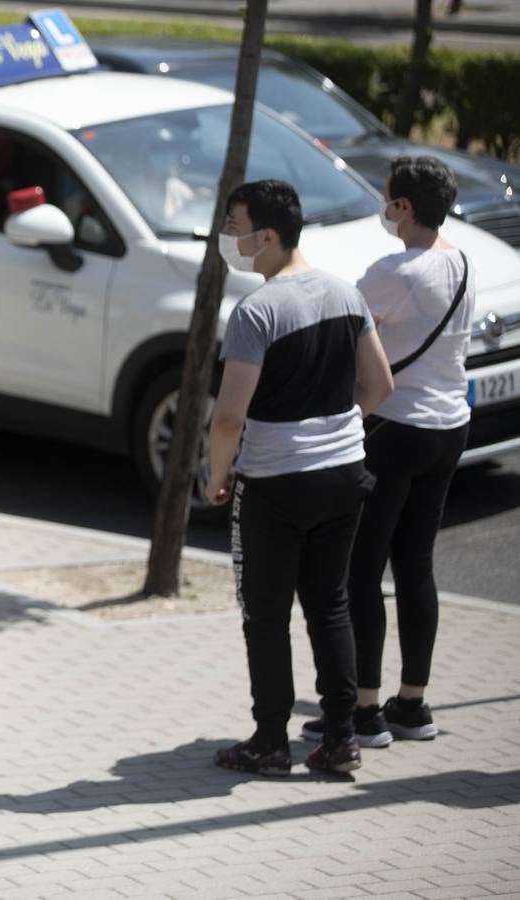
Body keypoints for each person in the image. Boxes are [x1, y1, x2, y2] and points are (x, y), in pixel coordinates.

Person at [205, 180, 394, 777]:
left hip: (275, 482)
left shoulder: (256, 312)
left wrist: (217, 474)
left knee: (265, 614)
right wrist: (339, 427)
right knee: (329, 604)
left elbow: (230, 414)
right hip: (344, 475)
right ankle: (341, 738)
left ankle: (269, 741)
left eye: (234, 225)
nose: (227, 237)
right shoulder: (345, 293)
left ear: (267, 236)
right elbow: (380, 385)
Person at [304, 157, 475, 748]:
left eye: (387, 199)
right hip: (449, 428)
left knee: (360, 571)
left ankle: (364, 712)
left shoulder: (393, 270)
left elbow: (345, 326)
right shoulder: (462, 261)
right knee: (416, 566)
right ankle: (413, 704)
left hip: (394, 431)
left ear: (403, 207)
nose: (383, 207)